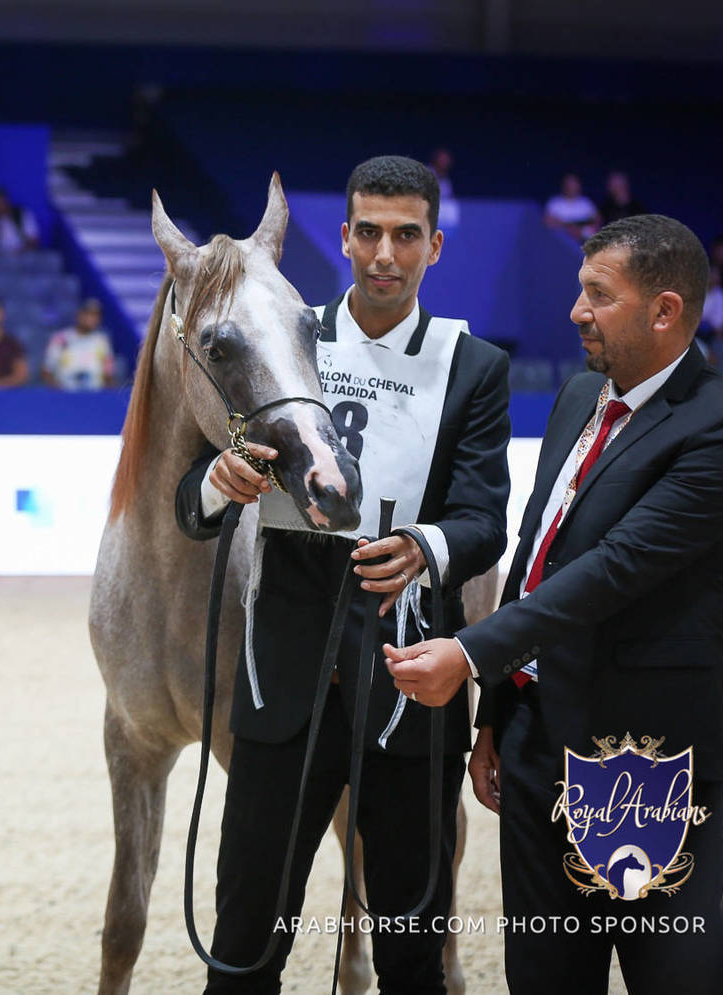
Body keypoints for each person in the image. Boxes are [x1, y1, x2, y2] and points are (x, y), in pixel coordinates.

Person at [384, 213, 723, 993]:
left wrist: (468, 653)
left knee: (669, 976)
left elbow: (611, 569)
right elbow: (536, 557)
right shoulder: (581, 392)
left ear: (664, 310)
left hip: (642, 767)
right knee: (546, 976)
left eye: (597, 293)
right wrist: (495, 712)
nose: (575, 311)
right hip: (532, 746)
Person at [174, 155, 511, 993]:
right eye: (368, 232)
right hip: (282, 682)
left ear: (435, 245)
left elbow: (483, 519)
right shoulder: (289, 331)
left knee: (409, 948)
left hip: (409, 686)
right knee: (246, 938)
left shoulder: (474, 367)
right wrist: (220, 481)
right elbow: (190, 504)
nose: (385, 254)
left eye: (406, 236)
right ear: (344, 237)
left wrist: (427, 546)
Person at [42, 297, 116, 390]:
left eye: (96, 315)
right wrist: (56, 390)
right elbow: (47, 370)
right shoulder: (61, 338)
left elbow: (108, 374)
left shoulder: (102, 341)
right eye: (88, 314)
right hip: (66, 393)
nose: (92, 319)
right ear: (79, 315)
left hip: (95, 394)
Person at [0, 185, 39, 253]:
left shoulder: (21, 214)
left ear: (5, 198)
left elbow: (33, 240)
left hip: (23, 255)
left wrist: (21, 251)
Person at [543, 172, 601, 243]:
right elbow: (547, 221)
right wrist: (568, 228)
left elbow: (597, 220)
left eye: (574, 183)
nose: (571, 187)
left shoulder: (586, 202)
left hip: (583, 241)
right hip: (561, 241)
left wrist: (581, 230)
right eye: (568, 184)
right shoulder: (554, 202)